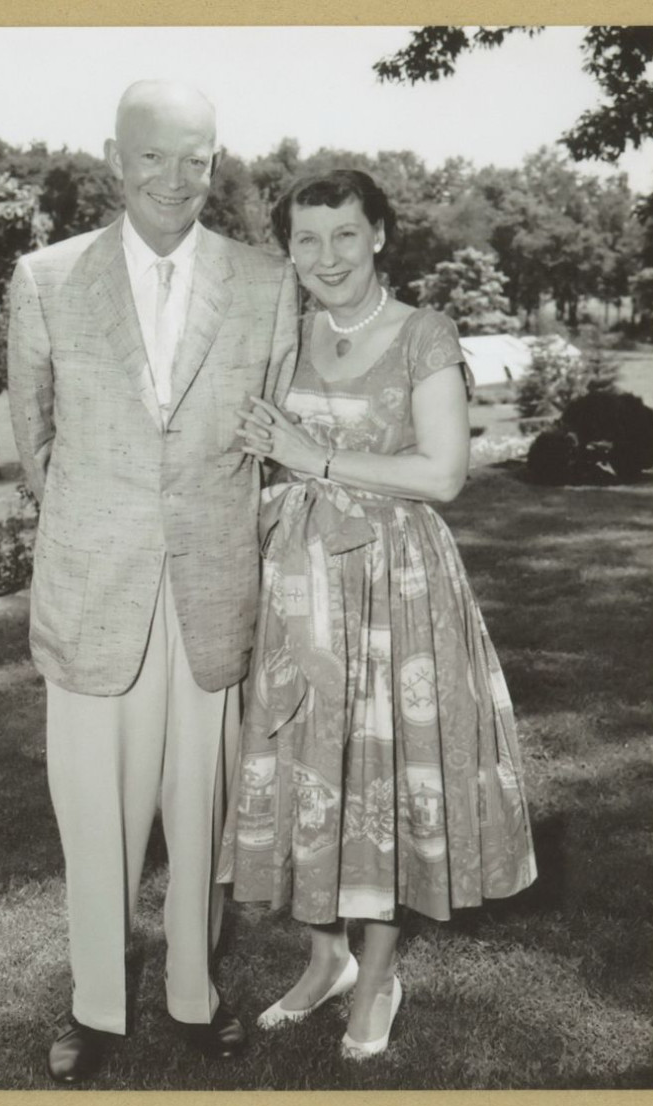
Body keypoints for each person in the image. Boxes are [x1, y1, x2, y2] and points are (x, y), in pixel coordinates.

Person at [7, 80, 297, 1083]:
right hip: (96, 592)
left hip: (214, 587)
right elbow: (33, 445)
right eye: (155, 157)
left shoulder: (266, 280)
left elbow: (278, 437)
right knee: (95, 812)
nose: (178, 180)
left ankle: (193, 993)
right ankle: (94, 1003)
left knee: (201, 804)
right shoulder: (45, 278)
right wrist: (104, 521)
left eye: (198, 158)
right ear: (113, 157)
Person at [218, 169, 537, 1060]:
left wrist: (314, 459)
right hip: (300, 579)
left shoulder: (424, 333)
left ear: (381, 236)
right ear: (290, 248)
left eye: (346, 235)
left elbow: (443, 475)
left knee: (385, 773)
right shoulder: (288, 330)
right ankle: (326, 960)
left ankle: (381, 970)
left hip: (396, 588)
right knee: (306, 764)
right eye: (308, 239)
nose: (327, 256)